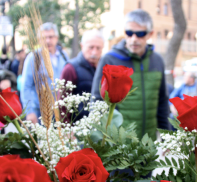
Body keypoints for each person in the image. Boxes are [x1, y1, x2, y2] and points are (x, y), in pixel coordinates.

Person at [91, 9, 169, 140]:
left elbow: (162, 101)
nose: (134, 39)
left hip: (148, 142)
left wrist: (166, 134)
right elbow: (97, 100)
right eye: (129, 33)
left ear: (150, 34)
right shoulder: (110, 59)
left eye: (140, 34)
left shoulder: (157, 60)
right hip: (118, 143)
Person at [21, 22, 69, 124]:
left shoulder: (64, 55)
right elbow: (26, 86)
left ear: (56, 38)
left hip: (62, 111)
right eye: (44, 37)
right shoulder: (33, 58)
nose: (48, 41)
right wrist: (29, 111)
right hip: (41, 112)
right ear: (39, 40)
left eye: (51, 37)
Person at [60, 30, 104, 122]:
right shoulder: (70, 68)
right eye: (91, 47)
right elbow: (62, 104)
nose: (94, 52)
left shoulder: (104, 69)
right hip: (78, 129)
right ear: (82, 46)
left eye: (98, 48)